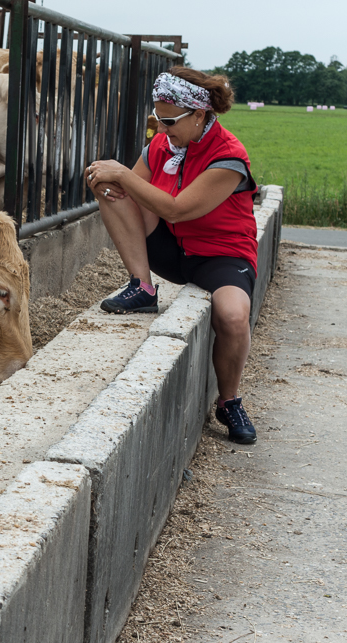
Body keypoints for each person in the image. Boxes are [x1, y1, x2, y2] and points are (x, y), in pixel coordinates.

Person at [84, 66, 258, 445]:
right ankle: (142, 286)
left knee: (232, 316)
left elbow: (178, 209)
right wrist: (111, 177)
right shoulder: (162, 146)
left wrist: (125, 175)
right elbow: (129, 193)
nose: (162, 130)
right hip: (172, 247)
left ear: (199, 115)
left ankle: (229, 401)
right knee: (109, 185)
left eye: (169, 121)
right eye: (157, 121)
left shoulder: (228, 157)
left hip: (221, 257)